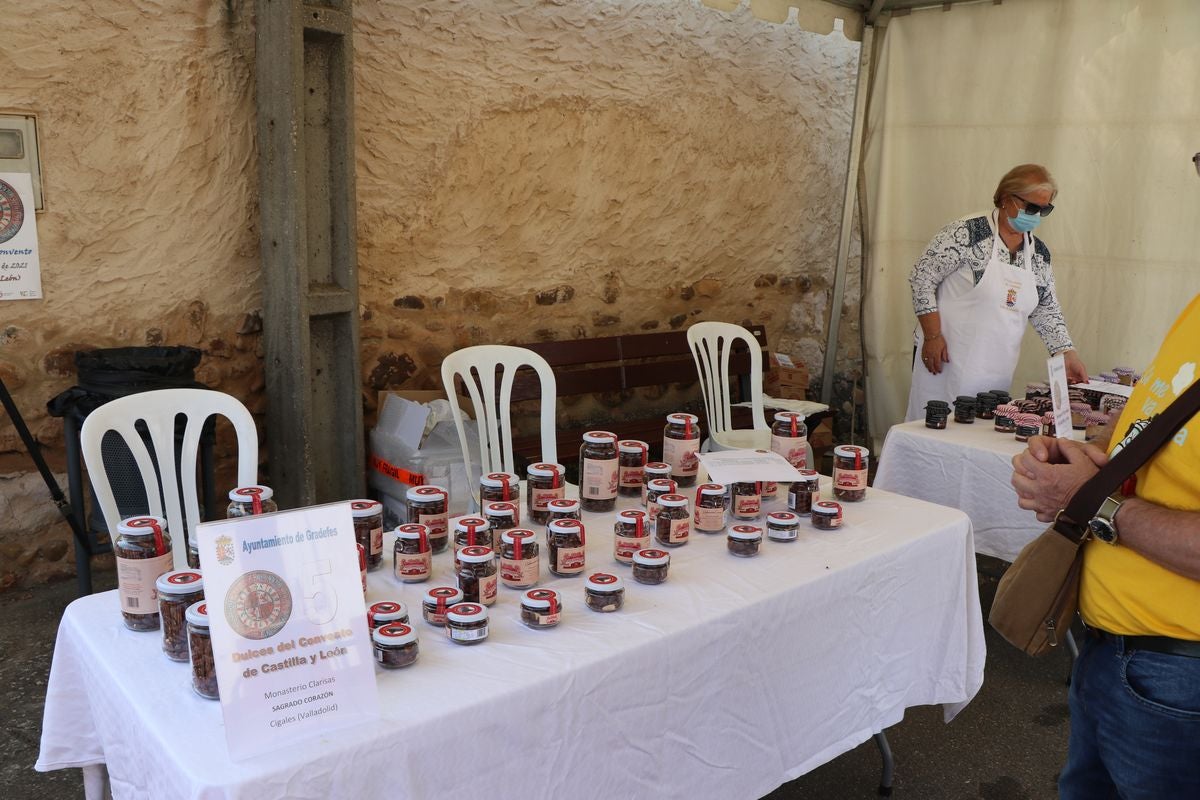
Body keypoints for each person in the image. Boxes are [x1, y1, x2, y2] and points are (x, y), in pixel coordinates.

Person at [1010, 220, 1200, 793]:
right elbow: (1157, 414)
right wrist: (1089, 455)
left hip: (1177, 670)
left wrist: (1092, 502)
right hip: (1114, 652)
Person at [904, 164, 1087, 421]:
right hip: (946, 358)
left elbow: (1045, 307)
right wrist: (932, 336)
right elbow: (921, 278)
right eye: (1032, 208)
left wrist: (1066, 352)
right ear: (1005, 199)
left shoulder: (1038, 253)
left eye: (1044, 210)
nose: (1036, 216)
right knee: (934, 427)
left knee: (979, 430)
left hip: (996, 366)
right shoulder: (965, 233)